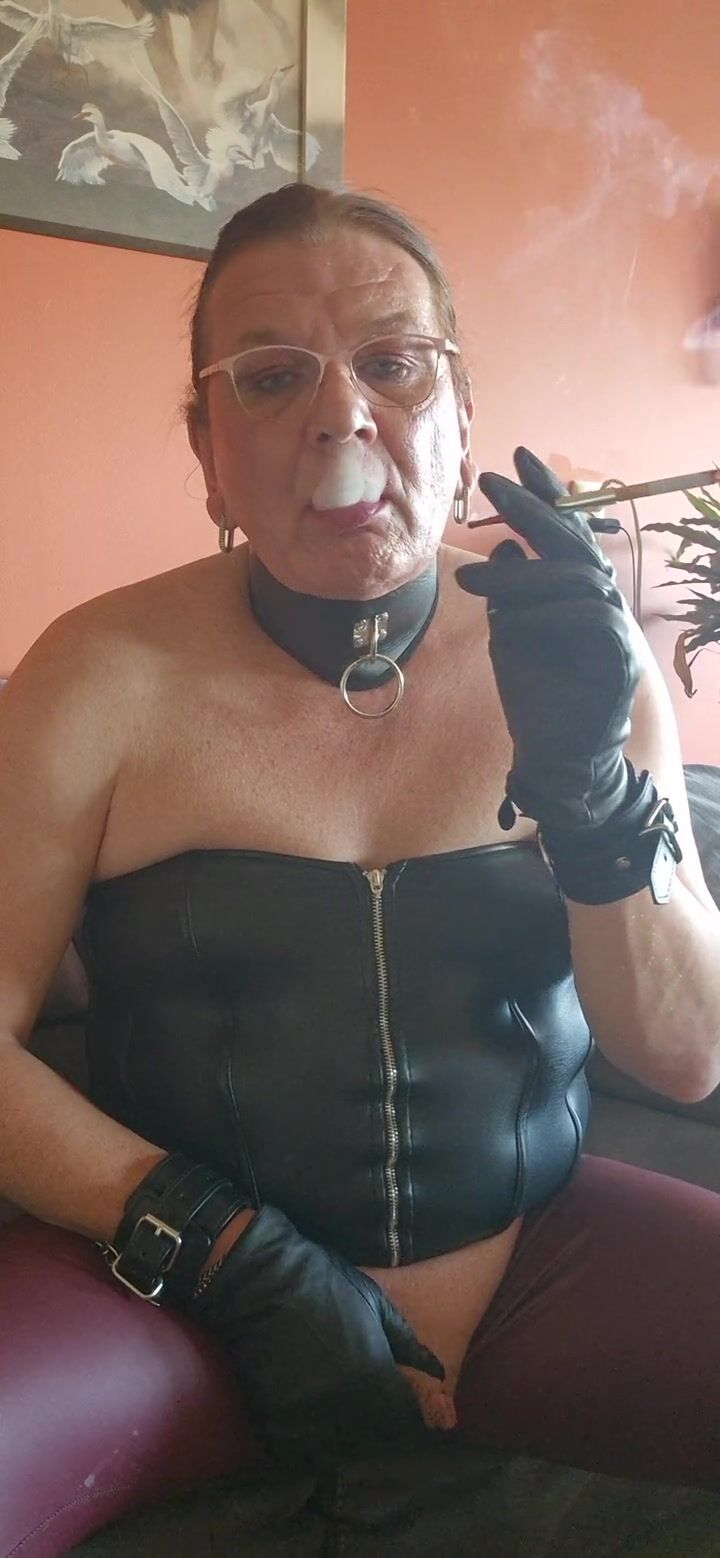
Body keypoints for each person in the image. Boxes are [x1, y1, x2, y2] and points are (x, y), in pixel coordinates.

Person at [1, 183, 720, 1552]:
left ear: (460, 414)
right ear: (209, 451)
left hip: (539, 1266)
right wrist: (227, 1252)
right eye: (273, 378)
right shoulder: (92, 678)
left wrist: (589, 790)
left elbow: (687, 1055)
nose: (342, 416)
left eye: (394, 361)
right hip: (174, 1300)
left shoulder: (583, 659)